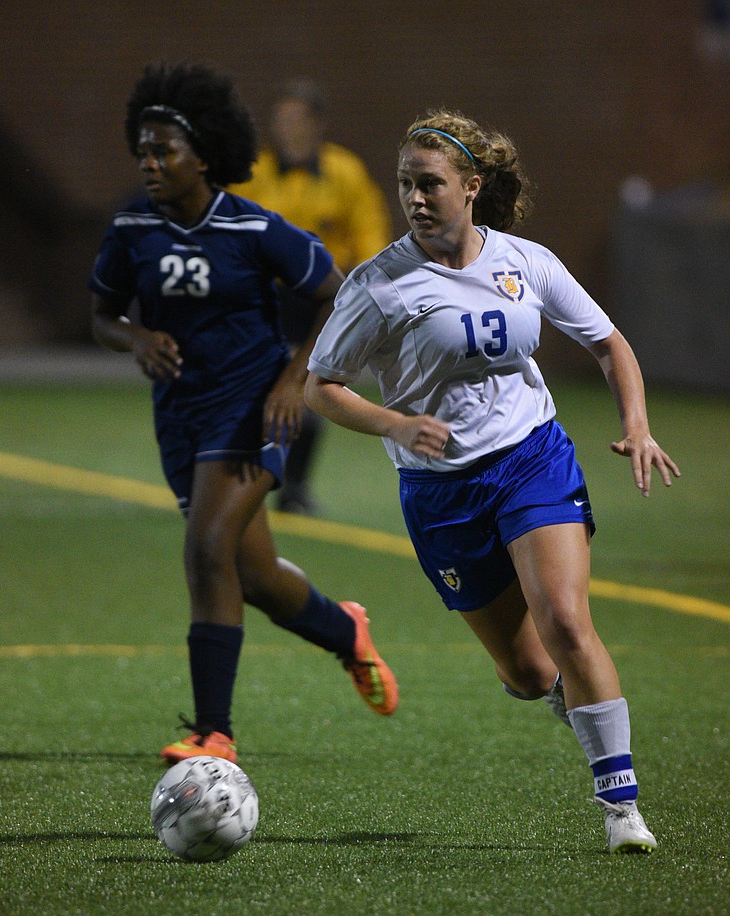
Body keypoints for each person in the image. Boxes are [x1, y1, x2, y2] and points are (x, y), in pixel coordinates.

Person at [305, 110, 681, 854]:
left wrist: (636, 425)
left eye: (431, 184)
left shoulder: (525, 262)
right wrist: (394, 424)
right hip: (440, 492)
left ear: (472, 187)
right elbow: (321, 386)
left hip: (531, 459)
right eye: (407, 184)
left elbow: (608, 342)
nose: (415, 198)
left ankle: (621, 808)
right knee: (530, 669)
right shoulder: (379, 285)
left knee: (567, 622)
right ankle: (562, 698)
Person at [89, 62, 398, 765]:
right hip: (180, 418)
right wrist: (135, 338)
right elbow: (101, 316)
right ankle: (346, 632)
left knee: (205, 549)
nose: (150, 163)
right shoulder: (133, 228)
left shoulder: (256, 228)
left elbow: (340, 296)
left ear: (204, 154)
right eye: (143, 150)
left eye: (163, 150)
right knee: (253, 577)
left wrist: (298, 379)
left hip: (254, 412)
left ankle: (213, 733)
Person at [232, 80, 392, 514]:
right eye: (281, 121)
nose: (288, 129)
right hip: (268, 296)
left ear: (319, 124)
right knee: (259, 385)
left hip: (323, 300)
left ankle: (295, 486)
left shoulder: (346, 173)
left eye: (298, 120)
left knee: (313, 386)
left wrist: (364, 294)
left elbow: (370, 236)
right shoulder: (253, 173)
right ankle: (251, 474)